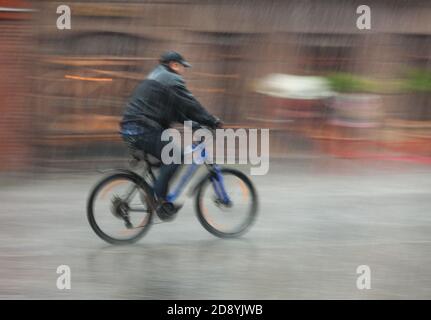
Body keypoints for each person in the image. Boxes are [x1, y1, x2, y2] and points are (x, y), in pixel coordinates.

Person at [120, 51, 221, 217]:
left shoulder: (156, 76)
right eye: (182, 66)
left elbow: (175, 113)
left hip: (132, 129)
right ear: (174, 64)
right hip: (143, 129)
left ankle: (160, 196)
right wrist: (212, 121)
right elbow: (190, 104)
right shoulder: (171, 79)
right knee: (175, 156)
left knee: (167, 159)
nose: (184, 71)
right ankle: (157, 200)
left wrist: (195, 125)